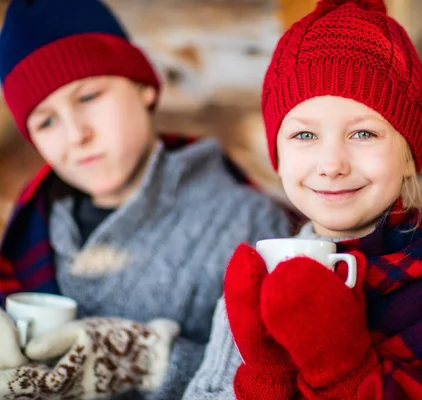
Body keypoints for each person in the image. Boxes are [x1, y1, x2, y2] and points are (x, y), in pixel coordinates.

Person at [183, 0, 422, 398]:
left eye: (363, 134)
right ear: (278, 156)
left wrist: (346, 371)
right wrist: (266, 376)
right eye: (305, 136)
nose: (332, 164)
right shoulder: (262, 275)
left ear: (409, 156)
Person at [0, 0, 290, 399]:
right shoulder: (31, 226)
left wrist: (146, 361)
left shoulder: (244, 222)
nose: (75, 134)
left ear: (145, 87)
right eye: (47, 121)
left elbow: (263, 381)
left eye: (88, 97)